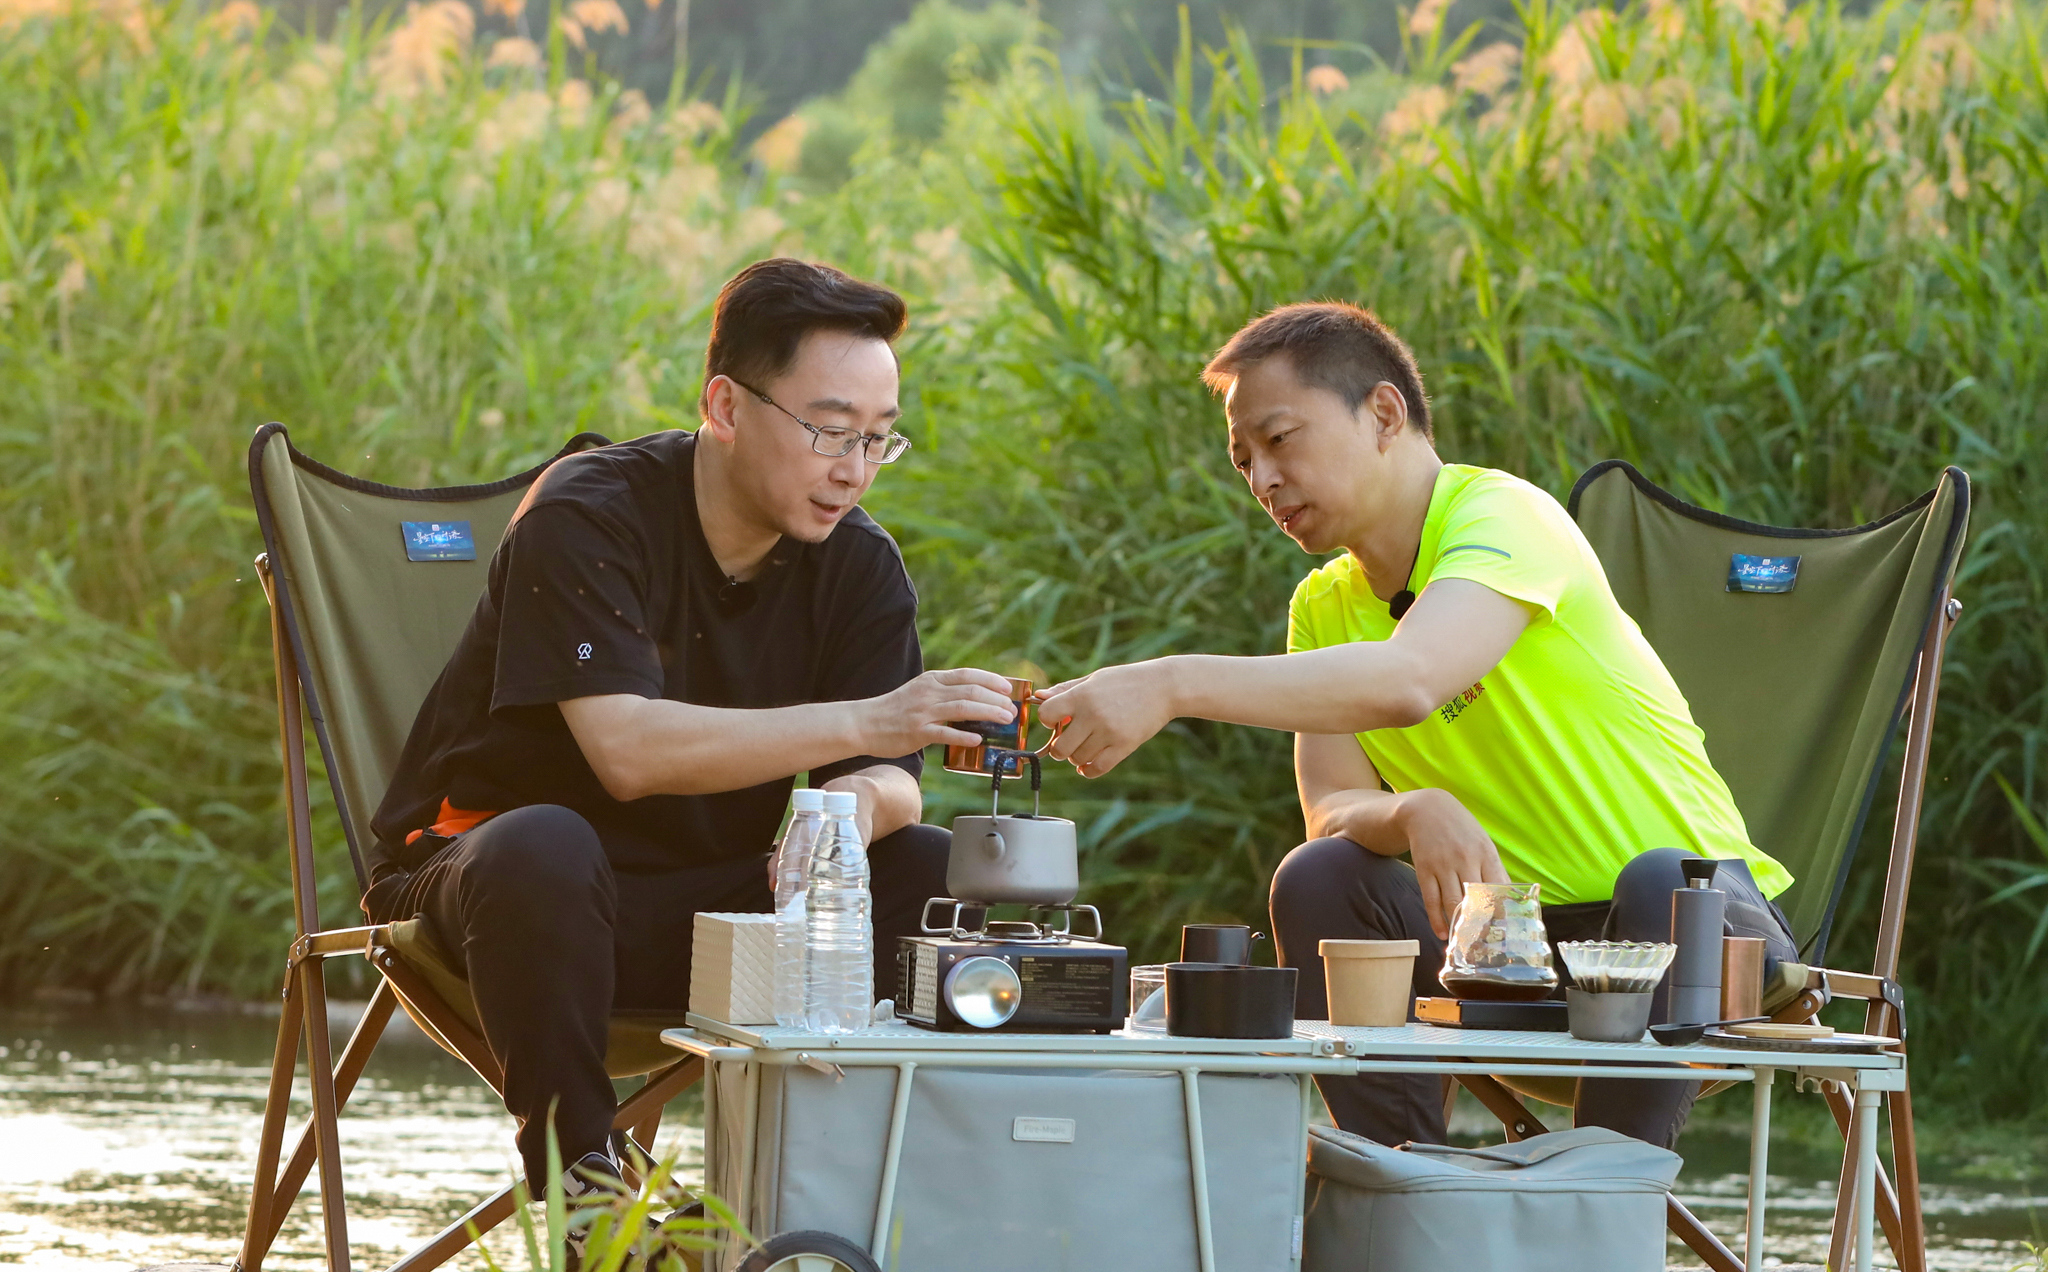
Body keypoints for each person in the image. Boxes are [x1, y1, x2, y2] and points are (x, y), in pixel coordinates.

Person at [1038, 301, 1799, 1149]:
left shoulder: (1504, 518)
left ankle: (1593, 1209)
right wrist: (1408, 809)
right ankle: (1399, 1185)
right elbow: (1329, 805)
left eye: (1280, 438)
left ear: (1385, 413)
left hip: (1693, 939)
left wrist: (1170, 683)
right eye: (1242, 458)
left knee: (1665, 878)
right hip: (1507, 958)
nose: (1261, 479)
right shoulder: (1323, 606)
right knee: (1321, 873)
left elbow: (1411, 679)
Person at [364, 258, 1017, 1195]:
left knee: (920, 857)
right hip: (496, 895)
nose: (854, 470)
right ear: (725, 405)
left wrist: (835, 818)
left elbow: (894, 775)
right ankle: (587, 1190)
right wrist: (871, 717)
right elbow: (626, 752)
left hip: (709, 909)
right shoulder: (591, 512)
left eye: (880, 440)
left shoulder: (859, 564)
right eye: (830, 431)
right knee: (547, 845)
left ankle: (842, 1198)